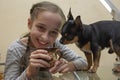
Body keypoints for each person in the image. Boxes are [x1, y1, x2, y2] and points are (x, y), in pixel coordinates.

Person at [4, 1, 88, 80]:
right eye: (41, 27)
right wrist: (28, 73)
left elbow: (84, 62)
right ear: (30, 24)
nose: (45, 37)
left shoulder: (55, 44)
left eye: (53, 32)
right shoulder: (15, 49)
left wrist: (69, 65)